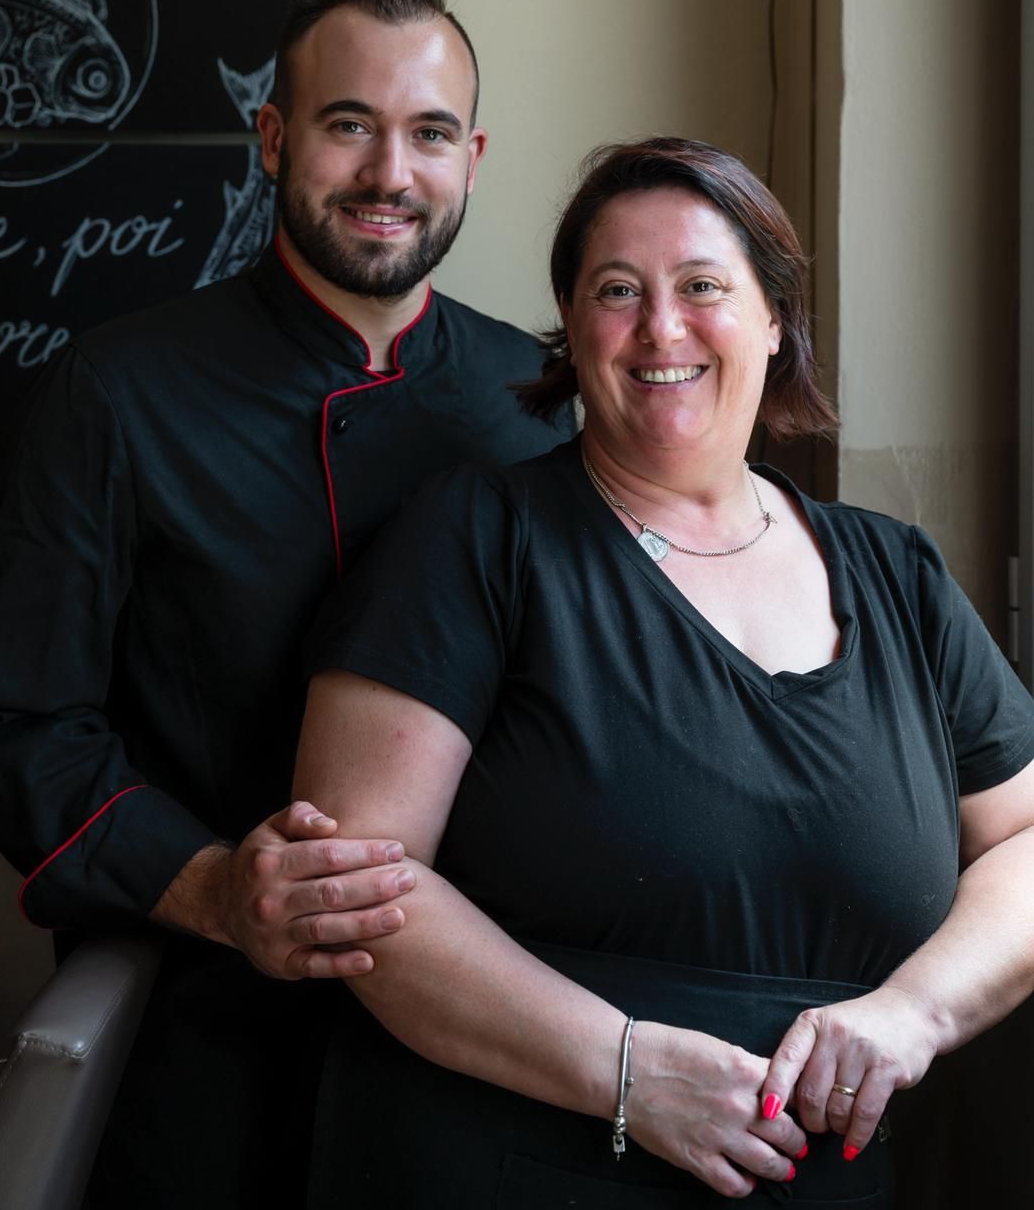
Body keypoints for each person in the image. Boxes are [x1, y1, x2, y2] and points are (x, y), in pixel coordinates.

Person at [296, 136, 1034, 1206]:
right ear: (571, 329)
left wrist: (913, 1010)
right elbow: (354, 888)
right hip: (525, 1163)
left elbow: (1021, 841)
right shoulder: (477, 539)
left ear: (774, 321)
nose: (659, 327)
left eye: (701, 285)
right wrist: (628, 1071)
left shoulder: (894, 572)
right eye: (614, 290)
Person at [0, 0, 572, 1209]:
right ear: (271, 135)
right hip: (213, 1023)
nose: (388, 175)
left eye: (428, 134)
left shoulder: (538, 406)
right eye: (349, 125)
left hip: (503, 1027)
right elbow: (14, 725)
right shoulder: (116, 393)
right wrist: (214, 892)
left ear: (474, 155)